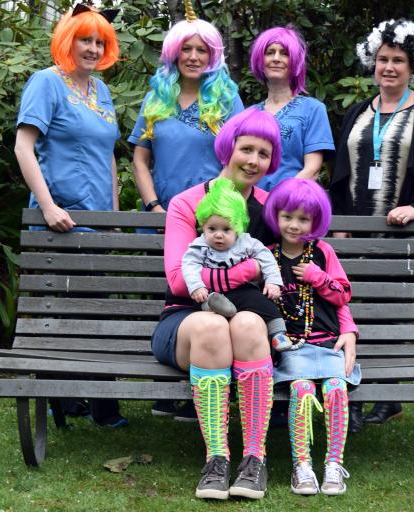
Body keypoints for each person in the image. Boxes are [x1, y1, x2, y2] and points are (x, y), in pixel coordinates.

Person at [328, 19, 414, 431]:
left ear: (412, 66)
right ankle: (350, 396)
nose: (389, 67)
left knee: (389, 317)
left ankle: (388, 395)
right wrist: (337, 224)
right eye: (383, 59)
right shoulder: (358, 111)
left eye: (398, 61)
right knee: (349, 313)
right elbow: (339, 170)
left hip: (403, 236)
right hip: (355, 234)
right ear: (373, 62)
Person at [153, 107, 281, 500]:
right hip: (185, 321)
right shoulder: (187, 203)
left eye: (264, 153)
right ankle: (217, 459)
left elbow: (281, 270)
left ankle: (255, 459)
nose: (254, 160)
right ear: (228, 149)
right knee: (212, 325)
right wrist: (243, 275)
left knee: (246, 324)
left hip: (248, 324)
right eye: (247, 149)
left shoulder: (270, 208)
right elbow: (178, 279)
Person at [13, 4, 128, 427]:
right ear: (67, 40)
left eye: (100, 41)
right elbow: (24, 147)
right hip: (59, 218)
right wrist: (46, 206)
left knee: (98, 309)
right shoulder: (47, 82)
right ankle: (59, 396)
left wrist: (114, 215)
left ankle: (99, 403)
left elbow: (109, 156)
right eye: (86, 39)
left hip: (98, 219)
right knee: (58, 313)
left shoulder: (102, 91)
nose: (94, 48)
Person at [262, 178, 361, 495]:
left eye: (303, 219)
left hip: (328, 342)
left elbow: (344, 294)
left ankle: (334, 465)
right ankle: (301, 466)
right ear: (276, 215)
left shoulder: (322, 253)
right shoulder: (267, 256)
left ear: (316, 221)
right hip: (292, 348)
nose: (294, 225)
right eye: (287, 216)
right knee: (302, 392)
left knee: (335, 389)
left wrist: (319, 278)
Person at [128, 3, 244, 214]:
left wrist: (208, 208)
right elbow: (140, 160)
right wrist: (155, 207)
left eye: (201, 50)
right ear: (174, 52)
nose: (193, 57)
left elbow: (239, 160)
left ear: (212, 57)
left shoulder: (228, 101)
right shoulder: (155, 99)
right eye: (186, 48)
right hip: (160, 217)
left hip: (212, 218)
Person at [181, 177, 292, 352]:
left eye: (226, 230)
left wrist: (273, 281)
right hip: (212, 293)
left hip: (242, 290)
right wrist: (196, 287)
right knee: (204, 302)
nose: (218, 235)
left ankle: (278, 333)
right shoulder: (199, 245)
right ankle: (216, 306)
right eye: (212, 229)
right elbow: (189, 264)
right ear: (203, 226)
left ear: (238, 227)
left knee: (263, 302)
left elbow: (266, 258)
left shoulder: (246, 242)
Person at [249, 26, 335, 191]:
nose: (276, 58)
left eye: (284, 53)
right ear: (260, 60)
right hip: (251, 207)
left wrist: (280, 198)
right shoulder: (249, 114)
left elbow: (313, 169)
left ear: (295, 61)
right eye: (269, 52)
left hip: (292, 206)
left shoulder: (313, 109)